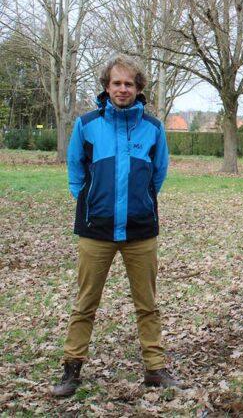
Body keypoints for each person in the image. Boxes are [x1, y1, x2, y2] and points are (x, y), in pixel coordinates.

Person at [52, 56, 178, 397]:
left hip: (140, 231)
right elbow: (76, 168)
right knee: (84, 303)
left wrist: (144, 202)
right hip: (96, 230)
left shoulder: (153, 128)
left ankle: (154, 369)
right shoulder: (88, 124)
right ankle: (71, 371)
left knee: (147, 304)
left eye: (129, 84)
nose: (123, 89)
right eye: (116, 83)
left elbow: (159, 172)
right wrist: (87, 200)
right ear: (106, 87)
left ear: (139, 89)